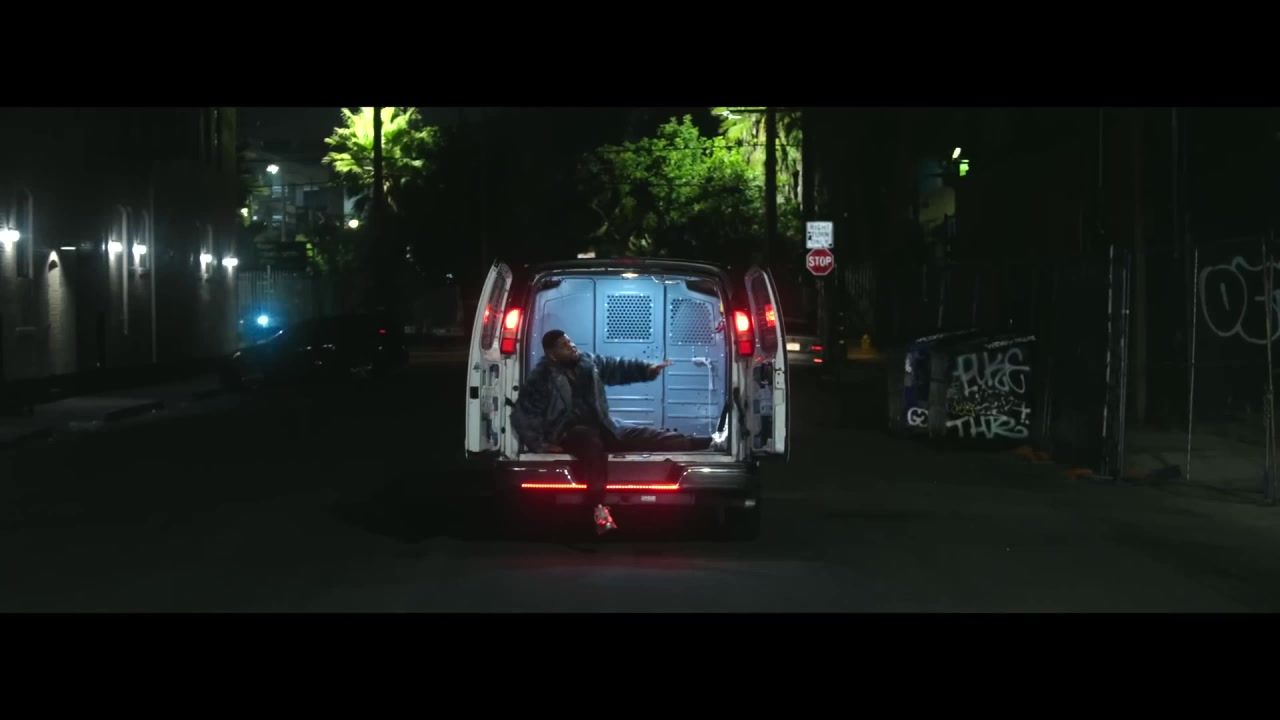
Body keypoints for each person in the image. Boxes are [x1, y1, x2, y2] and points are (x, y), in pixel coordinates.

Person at [511, 329, 714, 535]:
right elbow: (523, 414)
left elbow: (617, 367)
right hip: (568, 430)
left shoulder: (587, 363)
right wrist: (541, 444)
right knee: (591, 444)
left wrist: (647, 369)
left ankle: (700, 442)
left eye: (570, 342)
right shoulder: (541, 377)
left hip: (601, 424)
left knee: (641, 435)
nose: (571, 346)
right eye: (564, 345)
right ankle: (598, 508)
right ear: (552, 354)